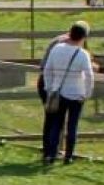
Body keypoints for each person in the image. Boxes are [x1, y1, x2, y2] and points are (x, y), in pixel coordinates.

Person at [38, 22, 95, 165]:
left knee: (56, 123)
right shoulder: (82, 54)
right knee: (72, 125)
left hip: (58, 92)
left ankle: (51, 154)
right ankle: (68, 156)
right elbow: (89, 76)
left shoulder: (57, 48)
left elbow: (47, 70)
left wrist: (50, 88)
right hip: (76, 93)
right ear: (84, 37)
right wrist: (87, 93)